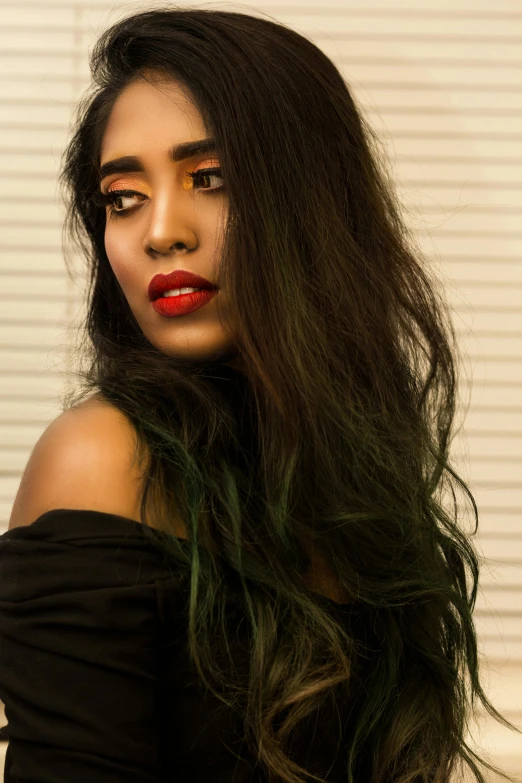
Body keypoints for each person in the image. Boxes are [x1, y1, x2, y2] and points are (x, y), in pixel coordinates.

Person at [0, 7, 519, 783]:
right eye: (123, 197)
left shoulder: (348, 476)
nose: (160, 232)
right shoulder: (102, 460)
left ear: (311, 201)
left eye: (209, 179)